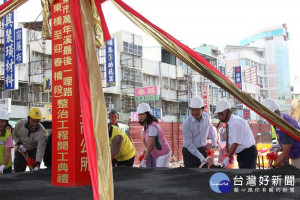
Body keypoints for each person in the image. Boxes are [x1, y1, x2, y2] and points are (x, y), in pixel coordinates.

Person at [214, 99, 257, 169]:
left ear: (228, 112)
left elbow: (235, 143)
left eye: (221, 114)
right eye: (218, 114)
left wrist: (228, 158)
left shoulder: (235, 123)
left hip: (248, 153)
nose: (220, 117)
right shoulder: (230, 123)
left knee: (247, 177)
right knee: (244, 177)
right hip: (242, 153)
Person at [262, 98, 300, 169]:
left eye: (270, 117)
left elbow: (284, 154)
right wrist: (279, 144)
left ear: (277, 112)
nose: (269, 120)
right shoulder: (277, 121)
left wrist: (273, 167)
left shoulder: (286, 125)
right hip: (294, 154)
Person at [182, 97, 218, 168]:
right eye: (193, 110)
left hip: (203, 149)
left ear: (202, 109)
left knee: (203, 173)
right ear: (190, 110)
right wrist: (200, 157)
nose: (195, 112)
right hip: (190, 152)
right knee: (192, 175)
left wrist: (214, 142)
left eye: (197, 110)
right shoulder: (187, 123)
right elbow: (189, 143)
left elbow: (210, 129)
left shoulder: (207, 117)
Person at [137, 103, 171, 167]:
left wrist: (144, 160)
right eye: (139, 114)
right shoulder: (147, 125)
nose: (140, 116)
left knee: (159, 174)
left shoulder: (152, 127)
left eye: (142, 114)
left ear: (148, 114)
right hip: (158, 154)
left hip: (163, 154)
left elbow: (150, 146)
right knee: (158, 173)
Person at [12, 107, 46, 172]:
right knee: (18, 172)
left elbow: (40, 148)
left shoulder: (42, 131)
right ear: (28, 118)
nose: (35, 124)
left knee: (34, 172)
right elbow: (14, 135)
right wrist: (19, 143)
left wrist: (38, 163)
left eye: (37, 121)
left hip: (33, 151)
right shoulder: (20, 124)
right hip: (21, 151)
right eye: (33, 121)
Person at [0, 109, 14, 174]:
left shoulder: (7, 135)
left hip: (5, 168)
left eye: (3, 121)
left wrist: (2, 166)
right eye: (0, 121)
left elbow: (7, 154)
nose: (1, 123)